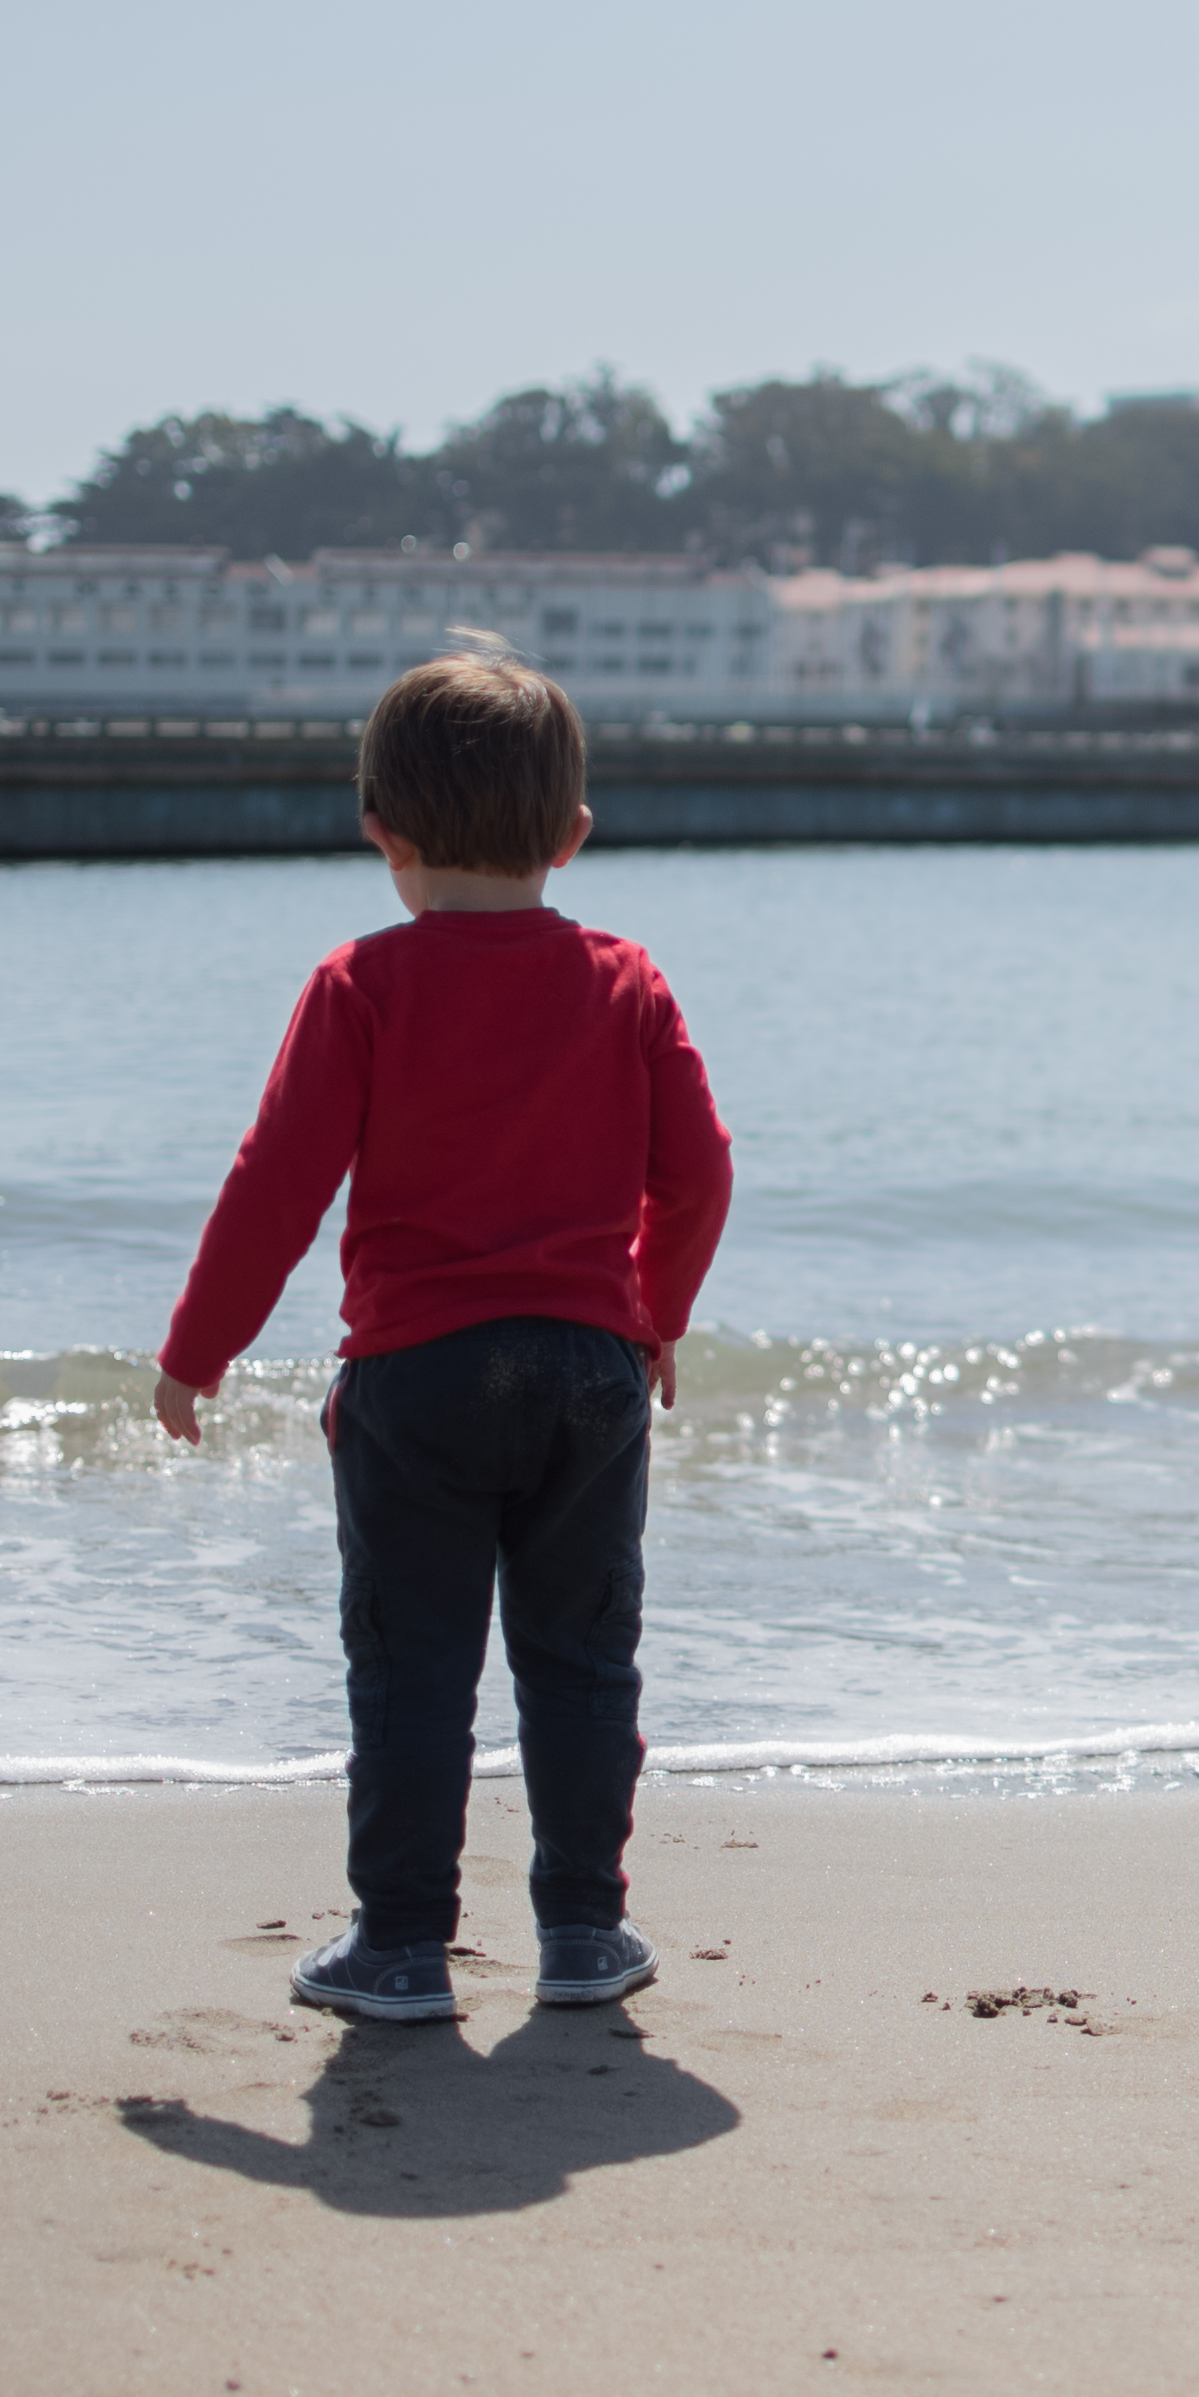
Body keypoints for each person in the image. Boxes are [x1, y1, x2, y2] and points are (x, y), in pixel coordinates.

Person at [152, 652, 734, 2023]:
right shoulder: (626, 979)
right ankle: (586, 1931)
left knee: (415, 1665)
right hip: (589, 1370)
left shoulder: (361, 984)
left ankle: (405, 1943)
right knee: (583, 1659)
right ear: (574, 834)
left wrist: (199, 1349)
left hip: (416, 1378)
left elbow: (273, 1185)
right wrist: (655, 1311)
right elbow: (699, 1169)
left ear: (382, 835)